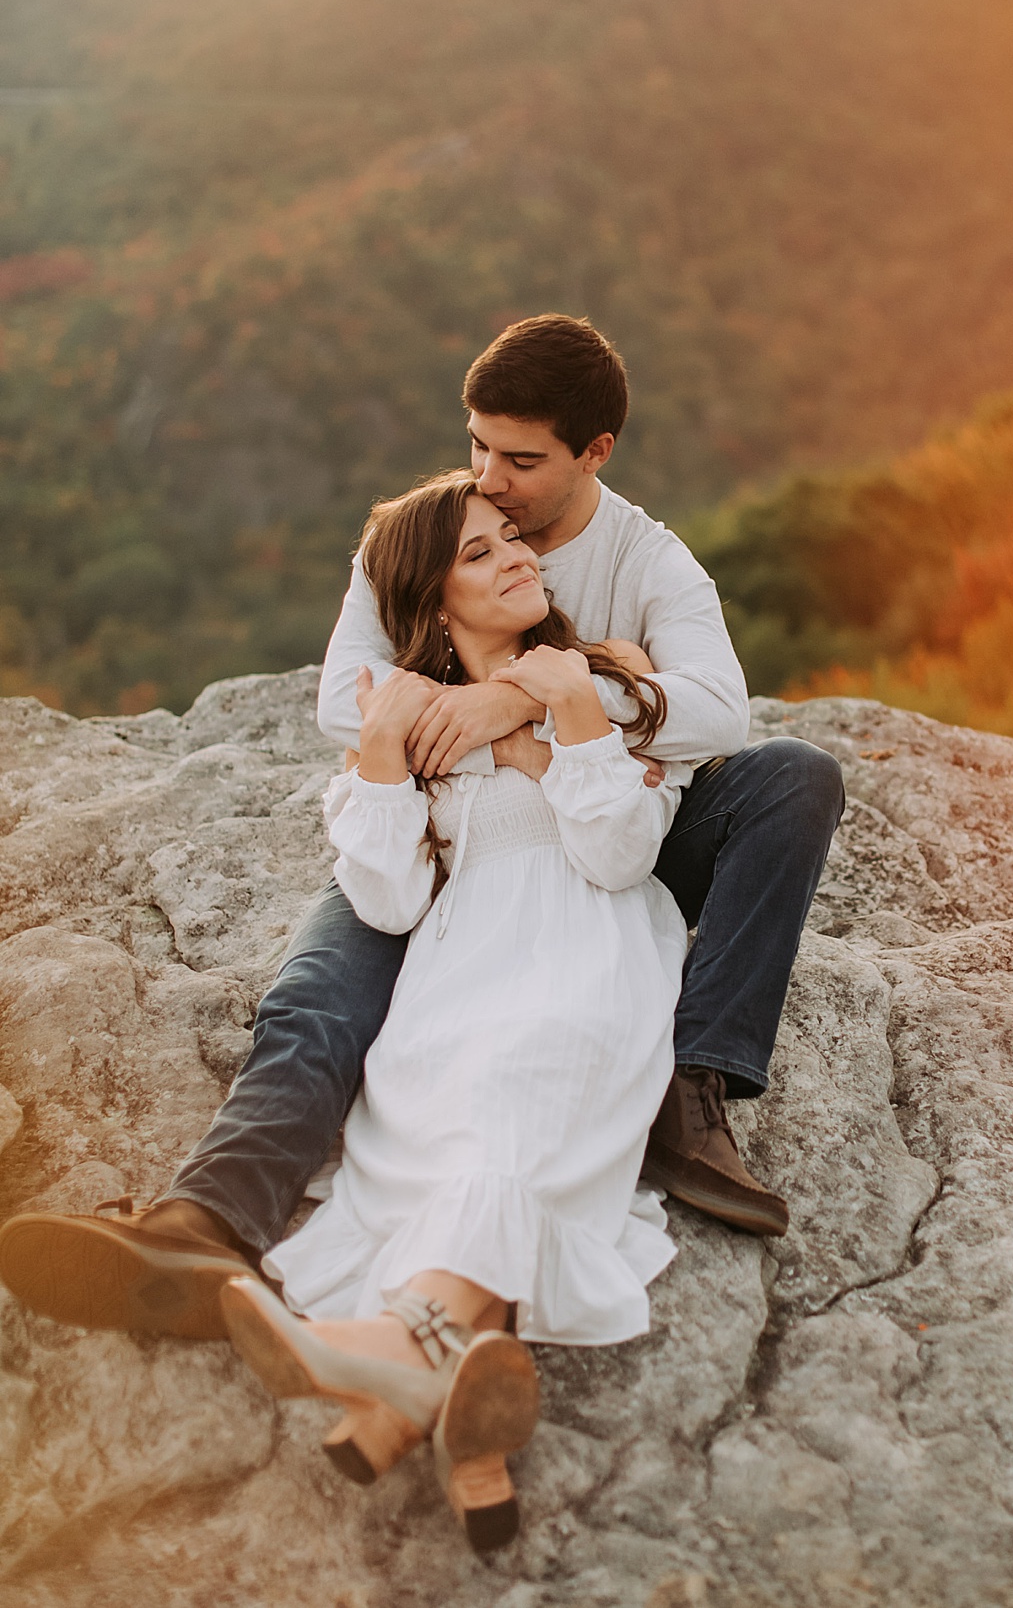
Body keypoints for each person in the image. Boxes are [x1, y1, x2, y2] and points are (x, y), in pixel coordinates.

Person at [0, 314, 846, 1343]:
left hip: (611, 815)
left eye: (521, 459)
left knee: (794, 778)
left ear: (595, 452)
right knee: (318, 994)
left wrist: (530, 703)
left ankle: (690, 1090)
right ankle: (207, 1221)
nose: (489, 475)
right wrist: (488, 733)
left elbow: (720, 710)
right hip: (447, 821)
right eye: (477, 444)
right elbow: (344, 706)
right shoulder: (431, 531)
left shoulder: (649, 559)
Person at [219, 471, 691, 1550]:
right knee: (450, 1123)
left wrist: (566, 713)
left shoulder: (605, 674)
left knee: (523, 1084)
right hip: (451, 971)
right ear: (434, 606)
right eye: (479, 554)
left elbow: (620, 856)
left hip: (586, 950)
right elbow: (384, 898)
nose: (518, 555)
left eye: (510, 538)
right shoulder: (401, 716)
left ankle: (387, 1343)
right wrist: (383, 748)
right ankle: (441, 1407)